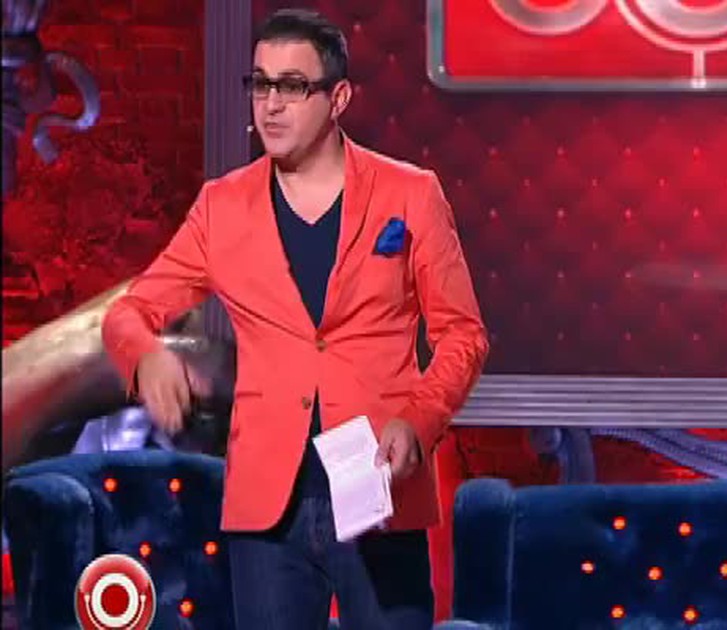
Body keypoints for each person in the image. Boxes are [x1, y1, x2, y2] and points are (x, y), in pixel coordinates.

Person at [101, 9, 488, 629]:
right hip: (267, 507)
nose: (271, 105)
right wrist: (146, 356)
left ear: (339, 98)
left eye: (293, 86)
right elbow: (129, 312)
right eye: (260, 84)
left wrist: (418, 423)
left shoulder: (410, 194)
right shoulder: (222, 207)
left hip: (379, 488)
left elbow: (463, 335)